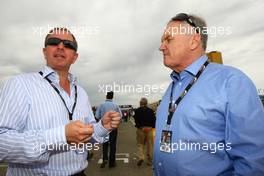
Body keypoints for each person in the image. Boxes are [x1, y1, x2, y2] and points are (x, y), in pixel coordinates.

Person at [0, 27, 121, 176]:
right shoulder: (20, 84)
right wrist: (61, 136)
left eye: (68, 44)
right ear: (45, 52)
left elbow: (87, 138)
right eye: (54, 42)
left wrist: (102, 126)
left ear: (75, 57)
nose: (61, 46)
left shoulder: (81, 92)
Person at [154, 13, 264, 176]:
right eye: (162, 41)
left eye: (168, 39)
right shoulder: (171, 88)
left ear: (193, 41)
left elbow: (253, 161)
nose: (161, 46)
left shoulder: (232, 82)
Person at [95, 91, 122, 168]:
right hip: (113, 127)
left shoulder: (101, 105)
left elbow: (97, 116)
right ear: (112, 97)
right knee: (113, 144)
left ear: (106, 96)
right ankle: (112, 162)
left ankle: (105, 159)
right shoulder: (115, 105)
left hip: (104, 127)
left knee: (105, 144)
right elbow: (120, 116)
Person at [133, 98, 156, 166]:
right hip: (150, 130)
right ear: (146, 103)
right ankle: (149, 160)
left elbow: (136, 121)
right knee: (150, 145)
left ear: (140, 103)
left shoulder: (137, 111)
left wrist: (141, 127)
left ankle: (141, 157)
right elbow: (154, 120)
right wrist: (151, 127)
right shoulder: (151, 111)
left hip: (141, 129)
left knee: (140, 144)